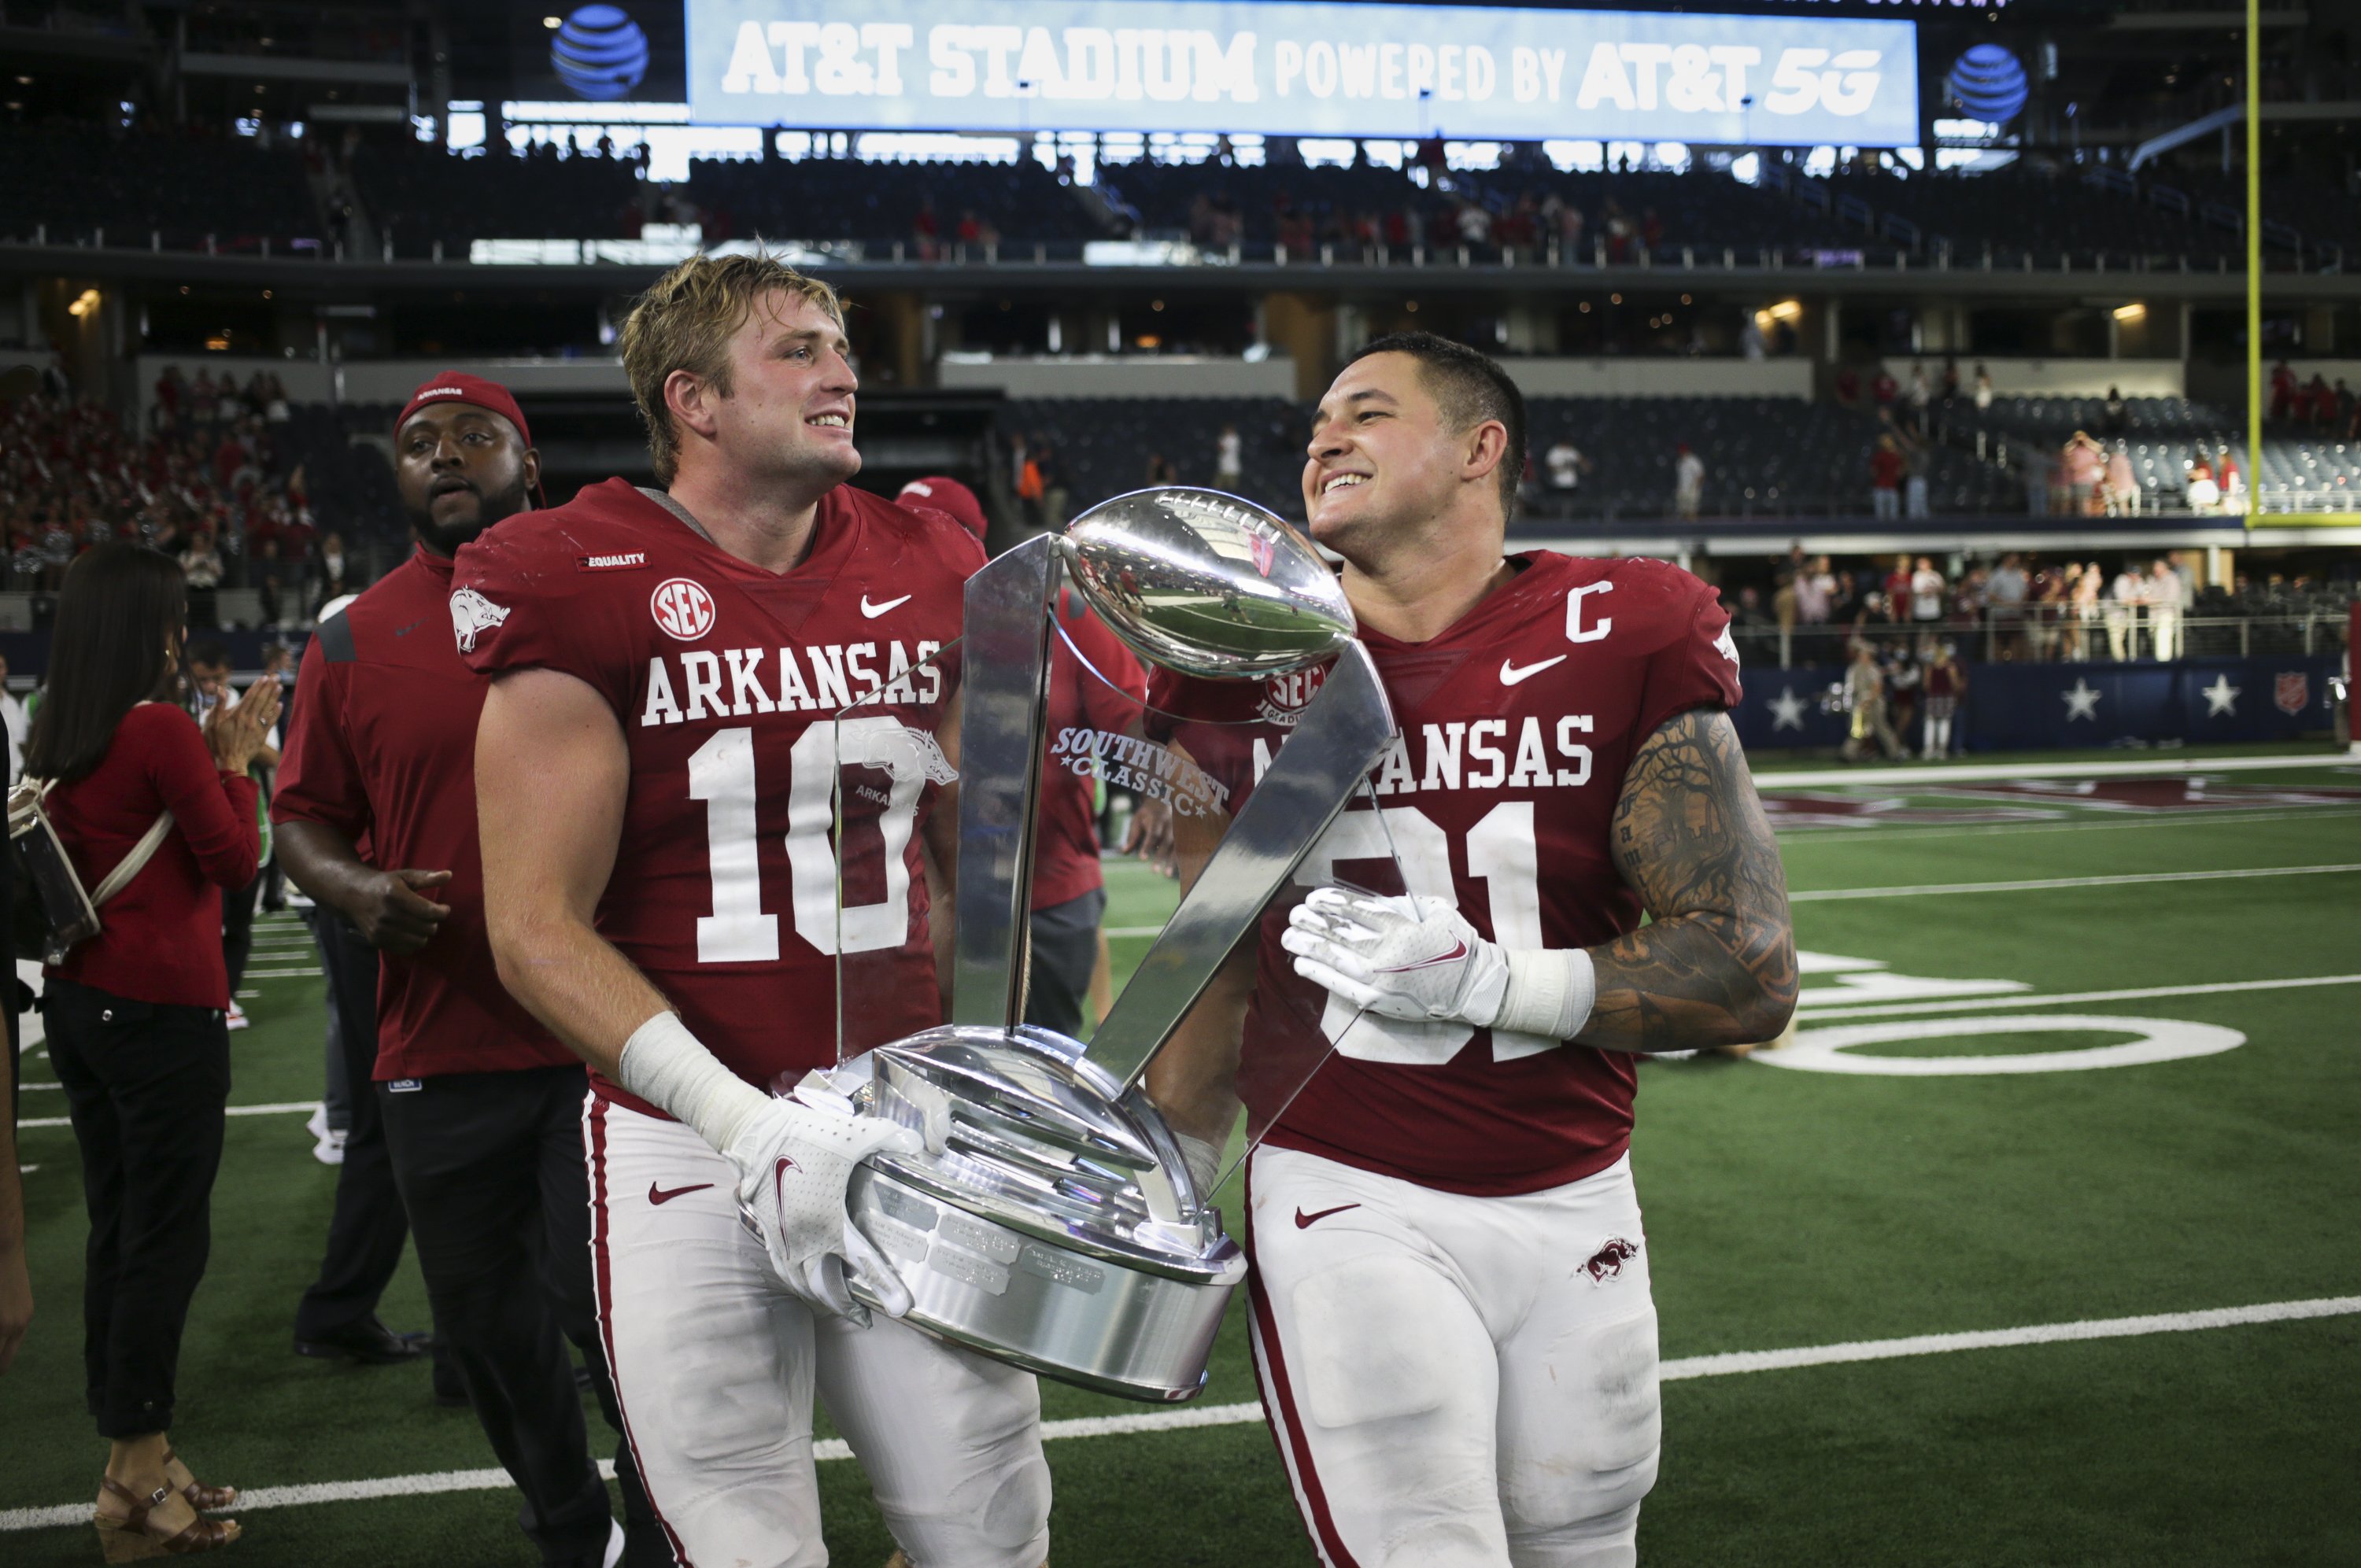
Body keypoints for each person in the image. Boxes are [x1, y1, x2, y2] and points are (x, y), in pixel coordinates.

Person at [1147, 334, 1796, 1567]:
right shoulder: (1237, 657)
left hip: (1576, 1186)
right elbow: (1214, 946)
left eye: (1368, 414)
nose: (1323, 437)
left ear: (1479, 449)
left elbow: (1750, 964)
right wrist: (1167, 1170)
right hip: (1346, 1181)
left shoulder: (1626, 623)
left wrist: (1491, 983)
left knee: (1586, 1537)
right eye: (1318, 420)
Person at [459, 255, 1051, 1568]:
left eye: (841, 344)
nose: (841, 368)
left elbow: (979, 874)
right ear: (696, 401)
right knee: (739, 1542)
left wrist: (977, 1091)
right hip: (688, 1136)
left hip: (908, 1123)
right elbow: (533, 927)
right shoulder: (577, 569)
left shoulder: (933, 558)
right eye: (796, 349)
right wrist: (743, 1120)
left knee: (988, 1525)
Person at [273, 373, 662, 1566]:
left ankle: (663, 1524)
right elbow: (303, 817)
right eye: (419, 444)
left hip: (600, 1040)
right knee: (487, 1332)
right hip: (438, 1043)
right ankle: (566, 1526)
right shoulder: (348, 638)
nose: (445, 455)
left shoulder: (607, 604)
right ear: (395, 479)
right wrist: (350, 890)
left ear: (526, 466)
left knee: (629, 1323)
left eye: (476, 437)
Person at [29, 543, 277, 1557]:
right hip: (160, 1011)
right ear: (151, 626)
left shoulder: (60, 727)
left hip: (82, 1005)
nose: (183, 636)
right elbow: (235, 860)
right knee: (164, 1240)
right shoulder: (162, 728)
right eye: (174, 618)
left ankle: (140, 1446)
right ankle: (135, 1469)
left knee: (117, 1230)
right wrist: (239, 765)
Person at [186, 642, 278, 1031]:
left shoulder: (247, 707)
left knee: (239, 924)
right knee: (207, 922)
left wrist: (238, 743)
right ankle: (205, 996)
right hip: (201, 830)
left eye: (217, 678)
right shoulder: (181, 709)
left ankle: (227, 997)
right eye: (202, 679)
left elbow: (276, 758)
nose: (210, 685)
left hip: (248, 824)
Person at [1922, 643, 1965, 758]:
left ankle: (1929, 749)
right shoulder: (1950, 667)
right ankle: (1941, 750)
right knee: (1944, 722)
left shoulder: (1930, 668)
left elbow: (1926, 685)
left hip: (1933, 697)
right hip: (1946, 697)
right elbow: (1955, 684)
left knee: (1931, 723)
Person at [0, 649, 27, 783]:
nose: (1, 671)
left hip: (15, 777)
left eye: (2, 667)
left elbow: (20, 741)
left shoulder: (12, 703)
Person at [1869, 434, 1904, 519]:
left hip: (1885, 487)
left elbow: (1873, 472)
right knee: (1889, 515)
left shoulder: (1884, 456)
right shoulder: (1892, 456)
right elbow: (1900, 473)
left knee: (1884, 515)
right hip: (1887, 488)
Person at [1672, 441, 1703, 520]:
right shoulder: (1679, 463)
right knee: (1683, 512)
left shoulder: (1693, 461)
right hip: (1682, 490)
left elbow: (1700, 475)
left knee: (1692, 512)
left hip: (1692, 490)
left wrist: (1695, 489)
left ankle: (1694, 530)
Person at [1215, 421, 1243, 489]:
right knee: (1217, 487)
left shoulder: (1235, 438)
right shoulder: (1223, 437)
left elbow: (1224, 448)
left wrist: (1220, 446)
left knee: (1232, 489)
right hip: (1223, 468)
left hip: (1232, 469)